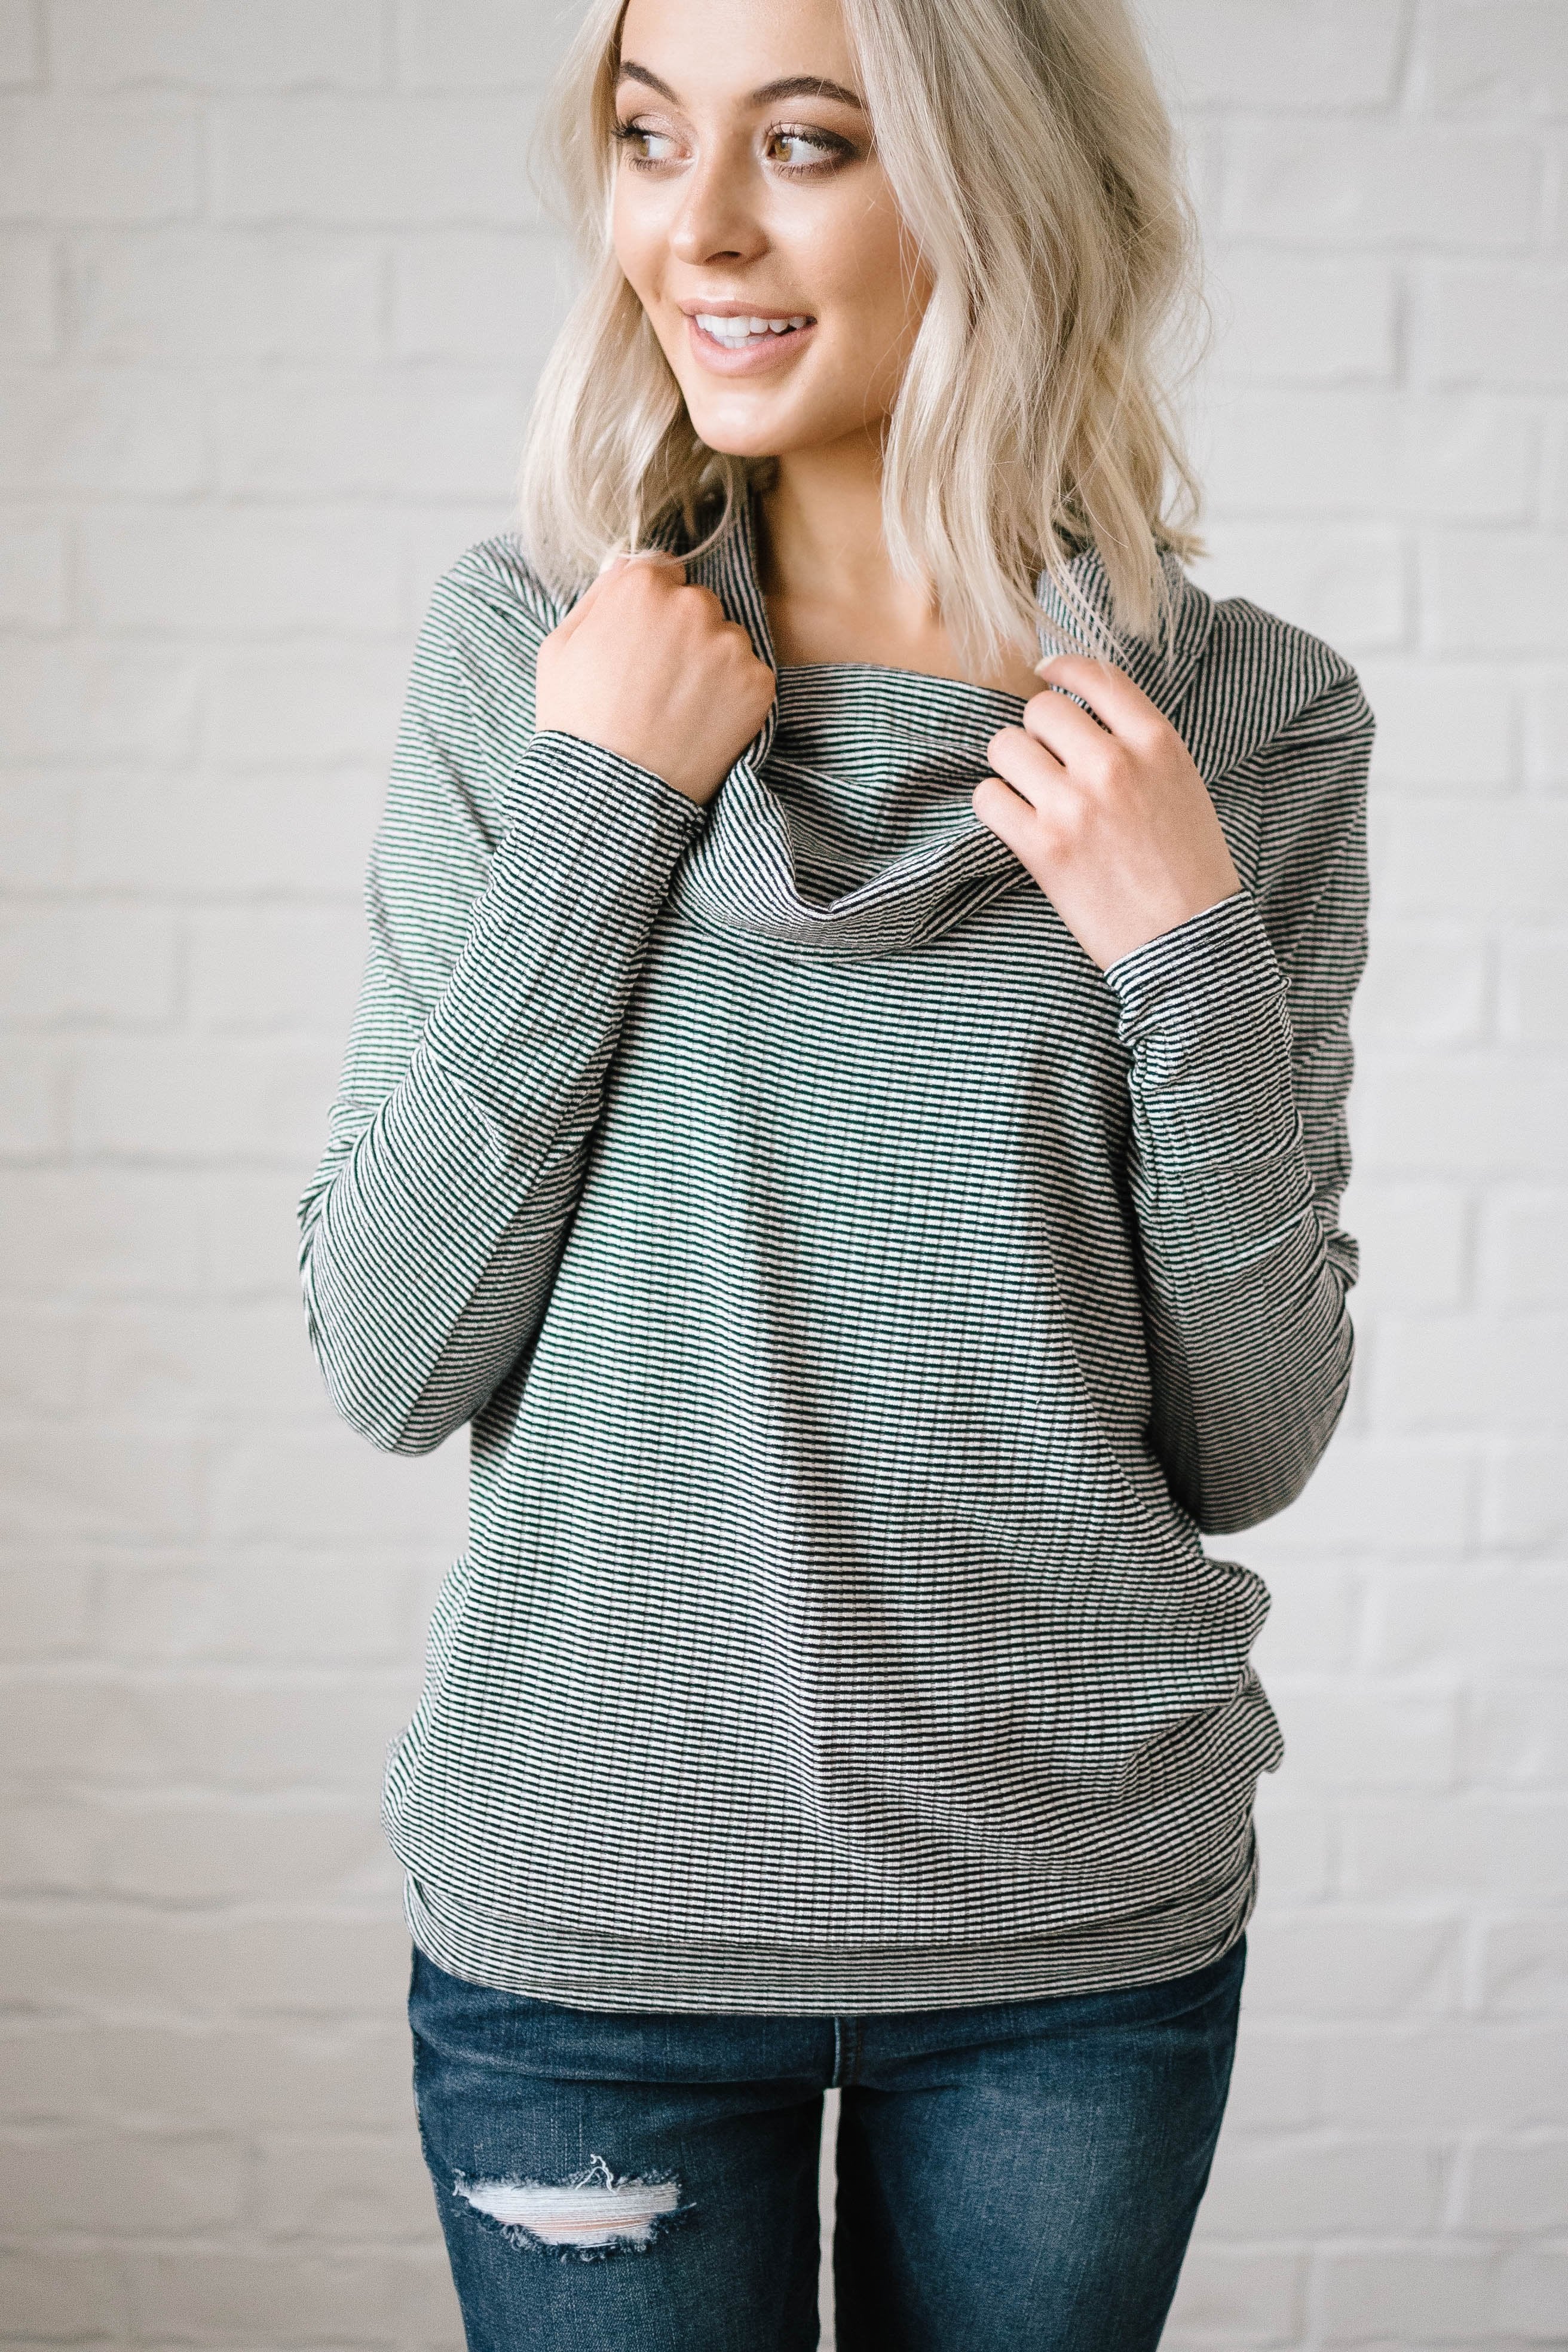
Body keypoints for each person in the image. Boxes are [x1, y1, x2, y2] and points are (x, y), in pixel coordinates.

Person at [297, 0, 1374, 2342]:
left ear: (993, 181)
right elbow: (387, 1353)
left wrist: (1177, 943)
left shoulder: (1248, 726)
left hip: (1070, 1949)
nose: (690, 228)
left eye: (803, 144)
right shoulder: (530, 659)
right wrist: (603, 803)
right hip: (592, 1928)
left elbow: (1251, 1439)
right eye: (644, 133)